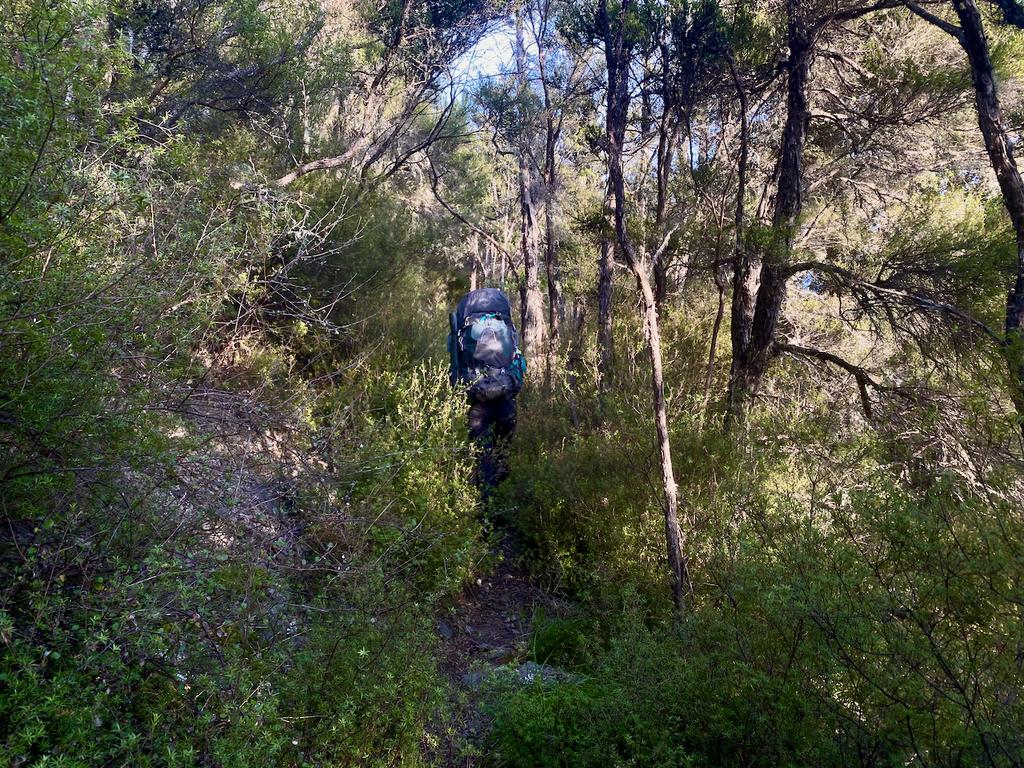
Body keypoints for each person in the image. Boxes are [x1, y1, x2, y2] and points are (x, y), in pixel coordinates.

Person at [448, 288, 526, 495]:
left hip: (477, 400)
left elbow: (456, 367)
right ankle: (503, 494)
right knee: (503, 448)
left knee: (482, 454)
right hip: (505, 396)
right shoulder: (504, 326)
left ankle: (486, 504)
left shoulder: (465, 328)